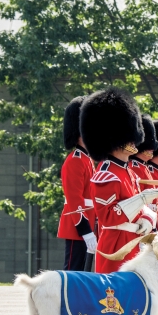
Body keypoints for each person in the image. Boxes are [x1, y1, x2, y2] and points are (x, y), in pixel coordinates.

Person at [79, 87, 158, 315]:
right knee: (107, 308)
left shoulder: (128, 171)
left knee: (125, 307)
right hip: (114, 247)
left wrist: (146, 220)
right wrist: (140, 209)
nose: (134, 140)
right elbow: (109, 217)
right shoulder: (105, 173)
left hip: (132, 247)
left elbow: (141, 210)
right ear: (113, 137)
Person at [57, 96, 97, 271]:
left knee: (82, 273)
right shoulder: (75, 160)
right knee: (73, 271)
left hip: (87, 225)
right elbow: (75, 201)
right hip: (77, 227)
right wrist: (85, 230)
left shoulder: (87, 160)